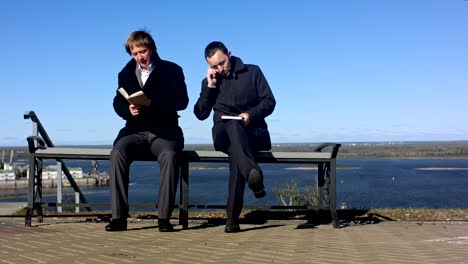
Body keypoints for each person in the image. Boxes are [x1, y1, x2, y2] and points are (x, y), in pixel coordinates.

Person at [106, 30, 188, 232]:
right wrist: (129, 110)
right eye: (135, 54)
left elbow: (182, 101)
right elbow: (118, 102)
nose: (139, 57)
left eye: (142, 51)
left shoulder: (172, 70)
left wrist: (152, 104)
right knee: (117, 153)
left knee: (169, 156)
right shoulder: (124, 73)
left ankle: (164, 218)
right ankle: (118, 217)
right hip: (135, 130)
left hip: (164, 131)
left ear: (152, 48)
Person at [194, 41, 276, 232]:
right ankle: (252, 173)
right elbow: (200, 114)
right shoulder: (210, 82)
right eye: (213, 66)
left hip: (253, 133)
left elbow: (270, 101)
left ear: (229, 54)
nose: (219, 69)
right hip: (223, 134)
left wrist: (251, 115)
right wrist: (209, 87)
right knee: (231, 124)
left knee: (236, 152)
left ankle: (232, 219)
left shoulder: (253, 72)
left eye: (222, 63)